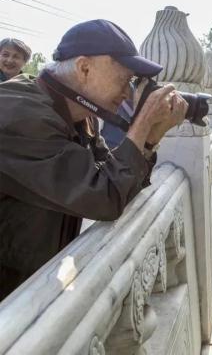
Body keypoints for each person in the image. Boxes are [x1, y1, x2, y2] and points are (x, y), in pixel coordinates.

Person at [0, 19, 188, 300]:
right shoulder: (21, 114)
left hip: (34, 286)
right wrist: (143, 123)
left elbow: (114, 181)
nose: (128, 93)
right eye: (125, 79)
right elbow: (104, 197)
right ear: (84, 68)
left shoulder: (79, 115)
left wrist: (148, 139)